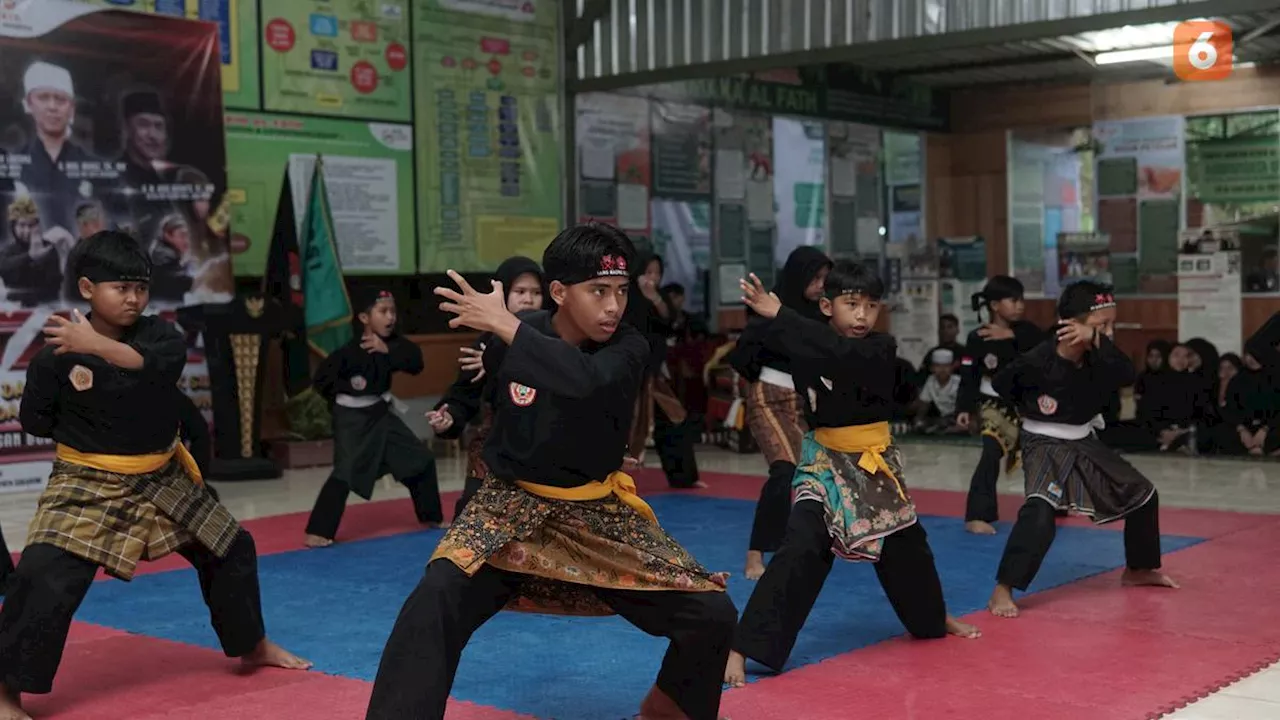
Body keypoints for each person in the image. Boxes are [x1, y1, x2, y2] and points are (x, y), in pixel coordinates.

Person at [365, 223, 735, 720]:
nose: (613, 306)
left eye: (621, 292)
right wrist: (467, 513)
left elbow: (583, 381)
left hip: (596, 512)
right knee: (435, 599)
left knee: (712, 613)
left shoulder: (628, 349)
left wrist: (509, 328)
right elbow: (491, 426)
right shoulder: (511, 342)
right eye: (598, 291)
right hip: (512, 507)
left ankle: (665, 711)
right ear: (559, 292)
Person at [0, 231, 308, 720]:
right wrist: (92, 434)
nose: (133, 298)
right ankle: (6, 693)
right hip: (89, 481)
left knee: (230, 546)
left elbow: (154, 369)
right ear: (86, 288)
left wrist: (94, 345)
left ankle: (252, 644)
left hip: (161, 473)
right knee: (41, 576)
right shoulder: (54, 356)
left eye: (140, 287)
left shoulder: (160, 335)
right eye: (119, 287)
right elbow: (37, 418)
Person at [724, 263, 980, 688]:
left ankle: (934, 617)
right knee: (801, 546)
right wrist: (766, 313)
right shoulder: (807, 341)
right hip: (823, 463)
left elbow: (840, 356)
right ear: (827, 306)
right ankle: (744, 644)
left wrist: (783, 314)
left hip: (873, 462)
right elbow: (757, 350)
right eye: (851, 305)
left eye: (871, 306)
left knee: (908, 545)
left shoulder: (880, 348)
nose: (862, 316)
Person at [986, 281, 1177, 619]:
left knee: (1143, 495)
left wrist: (1096, 339)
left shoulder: (1100, 357)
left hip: (1083, 438)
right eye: (1100, 325)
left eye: (1111, 325)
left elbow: (1126, 374)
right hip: (1043, 440)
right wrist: (1029, 408)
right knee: (1041, 513)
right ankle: (1003, 587)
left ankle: (1138, 569)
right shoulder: (1037, 359)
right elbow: (1003, 384)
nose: (1108, 332)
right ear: (1068, 325)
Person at [304, 288, 444, 548]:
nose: (390, 317)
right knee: (345, 472)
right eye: (382, 311)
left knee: (421, 460)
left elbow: (416, 363)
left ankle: (431, 516)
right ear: (365, 318)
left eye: (392, 311)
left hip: (380, 413)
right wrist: (341, 407)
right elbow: (322, 382)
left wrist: (387, 351)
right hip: (351, 418)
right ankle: (317, 531)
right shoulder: (347, 352)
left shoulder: (394, 345)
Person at [728, 246, 832, 580]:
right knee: (784, 469)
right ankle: (755, 553)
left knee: (817, 474)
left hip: (803, 402)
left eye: (824, 280)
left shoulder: (820, 316)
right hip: (769, 397)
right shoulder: (771, 308)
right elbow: (742, 356)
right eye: (814, 279)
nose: (819, 286)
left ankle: (808, 546)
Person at [427, 256, 547, 519]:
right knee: (471, 518)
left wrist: (502, 362)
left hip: (545, 445)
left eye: (536, 293)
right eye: (520, 291)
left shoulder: (555, 339)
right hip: (496, 444)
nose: (528, 299)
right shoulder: (482, 347)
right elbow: (462, 397)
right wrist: (448, 418)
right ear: (501, 295)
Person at [955, 276, 1045, 535]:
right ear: (995, 305)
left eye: (1021, 300)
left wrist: (1011, 335)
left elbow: (1045, 347)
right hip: (992, 403)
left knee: (1042, 454)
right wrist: (964, 408)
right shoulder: (977, 338)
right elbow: (969, 375)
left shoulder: (1027, 332)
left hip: (1025, 405)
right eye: (1013, 300)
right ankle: (977, 515)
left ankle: (1052, 504)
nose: (1020, 306)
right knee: (991, 452)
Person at [624, 252, 702, 489]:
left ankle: (684, 477)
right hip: (630, 371)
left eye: (657, 273)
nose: (653, 278)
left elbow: (671, 324)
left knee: (673, 418)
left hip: (655, 373)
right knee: (630, 424)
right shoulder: (626, 296)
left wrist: (655, 298)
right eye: (648, 272)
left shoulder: (660, 297)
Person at [912, 347, 963, 434]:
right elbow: (924, 403)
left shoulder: (959, 382)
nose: (942, 370)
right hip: (941, 418)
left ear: (952, 367)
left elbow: (965, 407)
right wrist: (919, 419)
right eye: (938, 366)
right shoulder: (930, 381)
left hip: (958, 417)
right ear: (932, 368)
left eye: (946, 366)